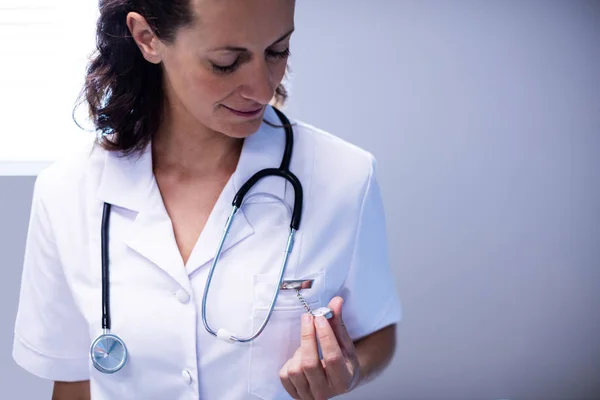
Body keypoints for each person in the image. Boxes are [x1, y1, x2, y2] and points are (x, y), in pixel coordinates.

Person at [12, 0, 402, 399]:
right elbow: (75, 382)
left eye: (277, 51)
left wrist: (350, 372)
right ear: (147, 38)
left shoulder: (344, 176)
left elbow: (377, 331)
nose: (264, 89)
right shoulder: (65, 194)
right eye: (226, 62)